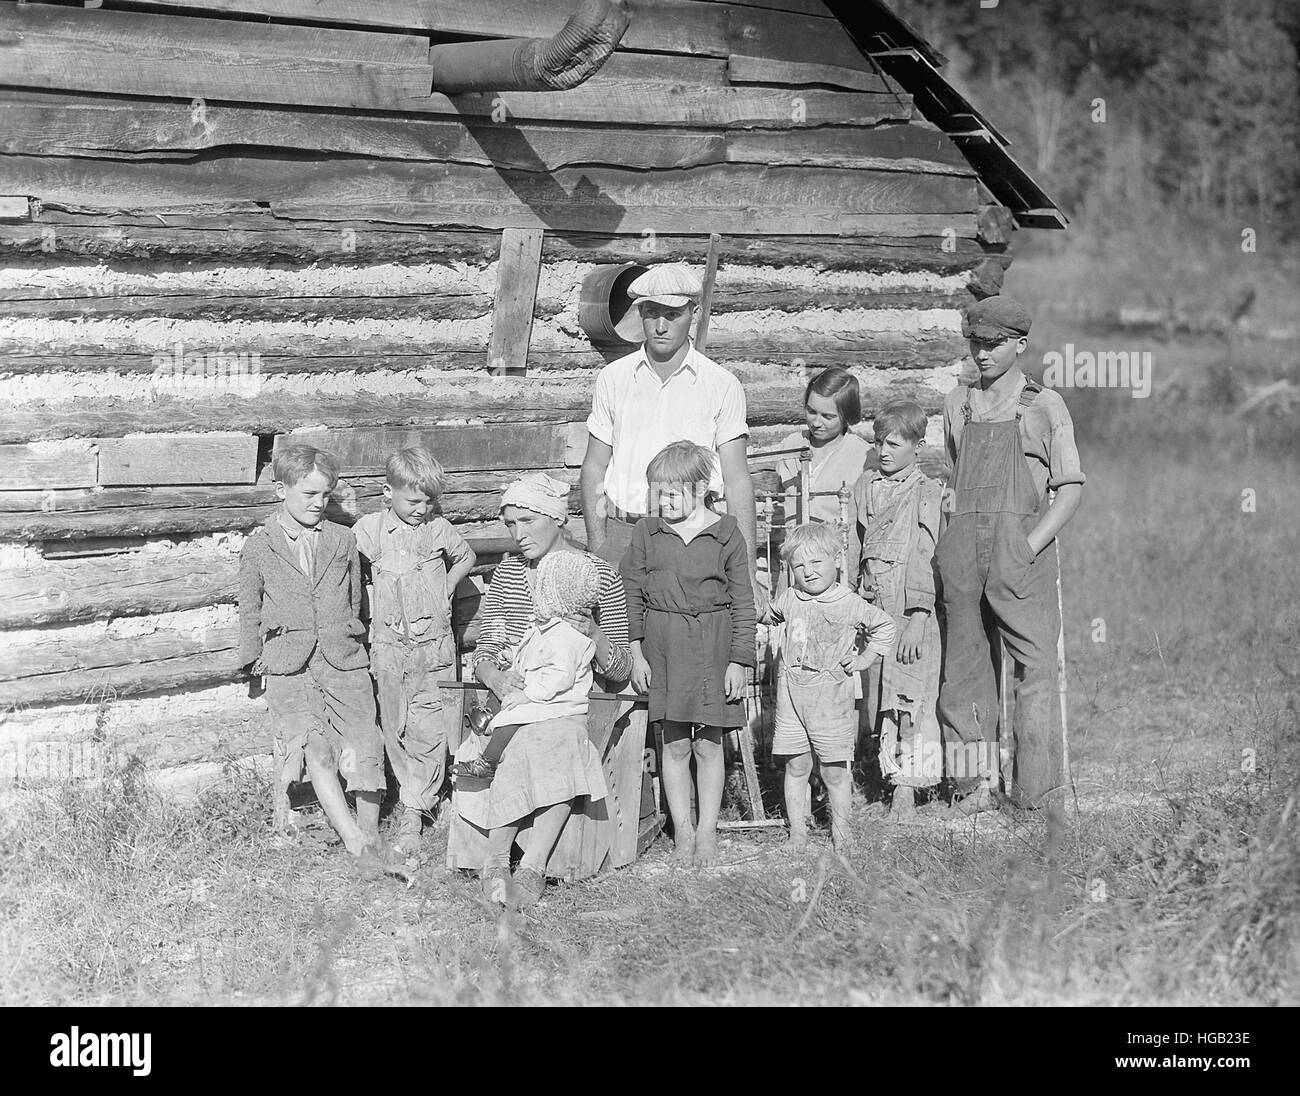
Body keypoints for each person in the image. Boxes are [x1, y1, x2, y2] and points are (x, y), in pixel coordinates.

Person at [454, 472, 632, 907]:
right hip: (514, 700)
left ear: (557, 517)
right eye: (511, 524)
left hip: (573, 706)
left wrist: (593, 633)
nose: (518, 534)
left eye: (528, 521)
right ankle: (497, 862)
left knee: (545, 740)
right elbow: (488, 645)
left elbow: (622, 668)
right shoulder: (510, 573)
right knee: (519, 735)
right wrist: (496, 676)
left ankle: (529, 865)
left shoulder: (595, 575)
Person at [936, 296, 1084, 816]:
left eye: (993, 344)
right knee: (965, 666)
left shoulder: (1045, 405)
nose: (981, 353)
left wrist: (1028, 544)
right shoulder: (957, 403)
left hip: (1021, 550)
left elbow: (1068, 490)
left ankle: (1036, 795)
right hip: (963, 550)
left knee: (1036, 668)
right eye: (974, 343)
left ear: (1020, 345)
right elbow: (956, 475)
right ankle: (970, 788)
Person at [580, 262, 766, 613]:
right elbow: (594, 466)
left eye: (673, 314)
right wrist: (599, 542)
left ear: (693, 313)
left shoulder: (720, 384)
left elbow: (737, 479)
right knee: (619, 650)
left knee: (685, 642)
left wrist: (749, 569)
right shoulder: (614, 379)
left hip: (692, 534)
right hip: (626, 530)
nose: (661, 326)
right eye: (652, 314)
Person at [236, 444, 386, 859]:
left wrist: (349, 635)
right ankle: (354, 842)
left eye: (326, 495)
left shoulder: (342, 540)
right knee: (313, 749)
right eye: (310, 495)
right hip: (288, 662)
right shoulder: (260, 546)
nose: (320, 504)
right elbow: (250, 606)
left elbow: (355, 597)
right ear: (282, 490)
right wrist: (252, 661)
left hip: (343, 656)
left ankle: (370, 833)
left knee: (362, 743)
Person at [621, 441, 757, 868]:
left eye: (672, 492)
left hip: (712, 647)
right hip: (662, 648)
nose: (663, 501)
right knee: (675, 744)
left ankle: (707, 834)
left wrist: (738, 660)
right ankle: (682, 833)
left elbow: (744, 603)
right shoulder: (647, 533)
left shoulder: (726, 533)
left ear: (700, 489)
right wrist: (635, 651)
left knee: (709, 745)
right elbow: (630, 595)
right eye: (657, 492)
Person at [353, 446, 475, 856]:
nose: (422, 508)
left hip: (434, 648)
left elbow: (467, 556)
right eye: (413, 500)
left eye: (428, 501)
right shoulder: (368, 530)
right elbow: (349, 569)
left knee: (430, 725)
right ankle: (414, 793)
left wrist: (447, 588)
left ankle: (413, 814)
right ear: (388, 492)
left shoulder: (439, 529)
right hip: (388, 647)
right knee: (395, 725)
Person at [763, 523, 897, 853]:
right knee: (796, 766)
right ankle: (797, 834)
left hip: (830, 701)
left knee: (834, 772)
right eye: (799, 566)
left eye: (816, 563)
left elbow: (885, 627)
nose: (808, 573)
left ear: (836, 560)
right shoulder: (791, 598)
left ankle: (842, 835)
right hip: (792, 699)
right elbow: (769, 614)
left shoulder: (849, 603)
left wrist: (865, 659)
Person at [849, 401, 944, 822]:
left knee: (910, 695)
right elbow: (855, 545)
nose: (883, 451)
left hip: (909, 608)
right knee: (881, 698)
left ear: (918, 447)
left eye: (893, 444)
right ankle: (885, 777)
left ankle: (908, 788)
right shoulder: (865, 486)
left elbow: (927, 554)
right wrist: (856, 601)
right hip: (875, 607)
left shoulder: (925, 491)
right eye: (878, 443)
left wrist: (919, 617)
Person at [452, 551, 600, 788]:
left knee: (514, 716)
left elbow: (559, 678)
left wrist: (528, 695)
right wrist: (513, 656)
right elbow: (531, 651)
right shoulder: (546, 625)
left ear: (555, 593)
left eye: (541, 587)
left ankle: (487, 763)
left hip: (557, 701)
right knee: (507, 695)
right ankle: (486, 718)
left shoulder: (567, 636)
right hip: (539, 690)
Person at [776, 366, 872, 529]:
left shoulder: (864, 456)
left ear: (847, 416)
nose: (816, 423)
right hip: (795, 550)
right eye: (812, 411)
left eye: (828, 416)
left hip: (839, 551)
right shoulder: (790, 446)